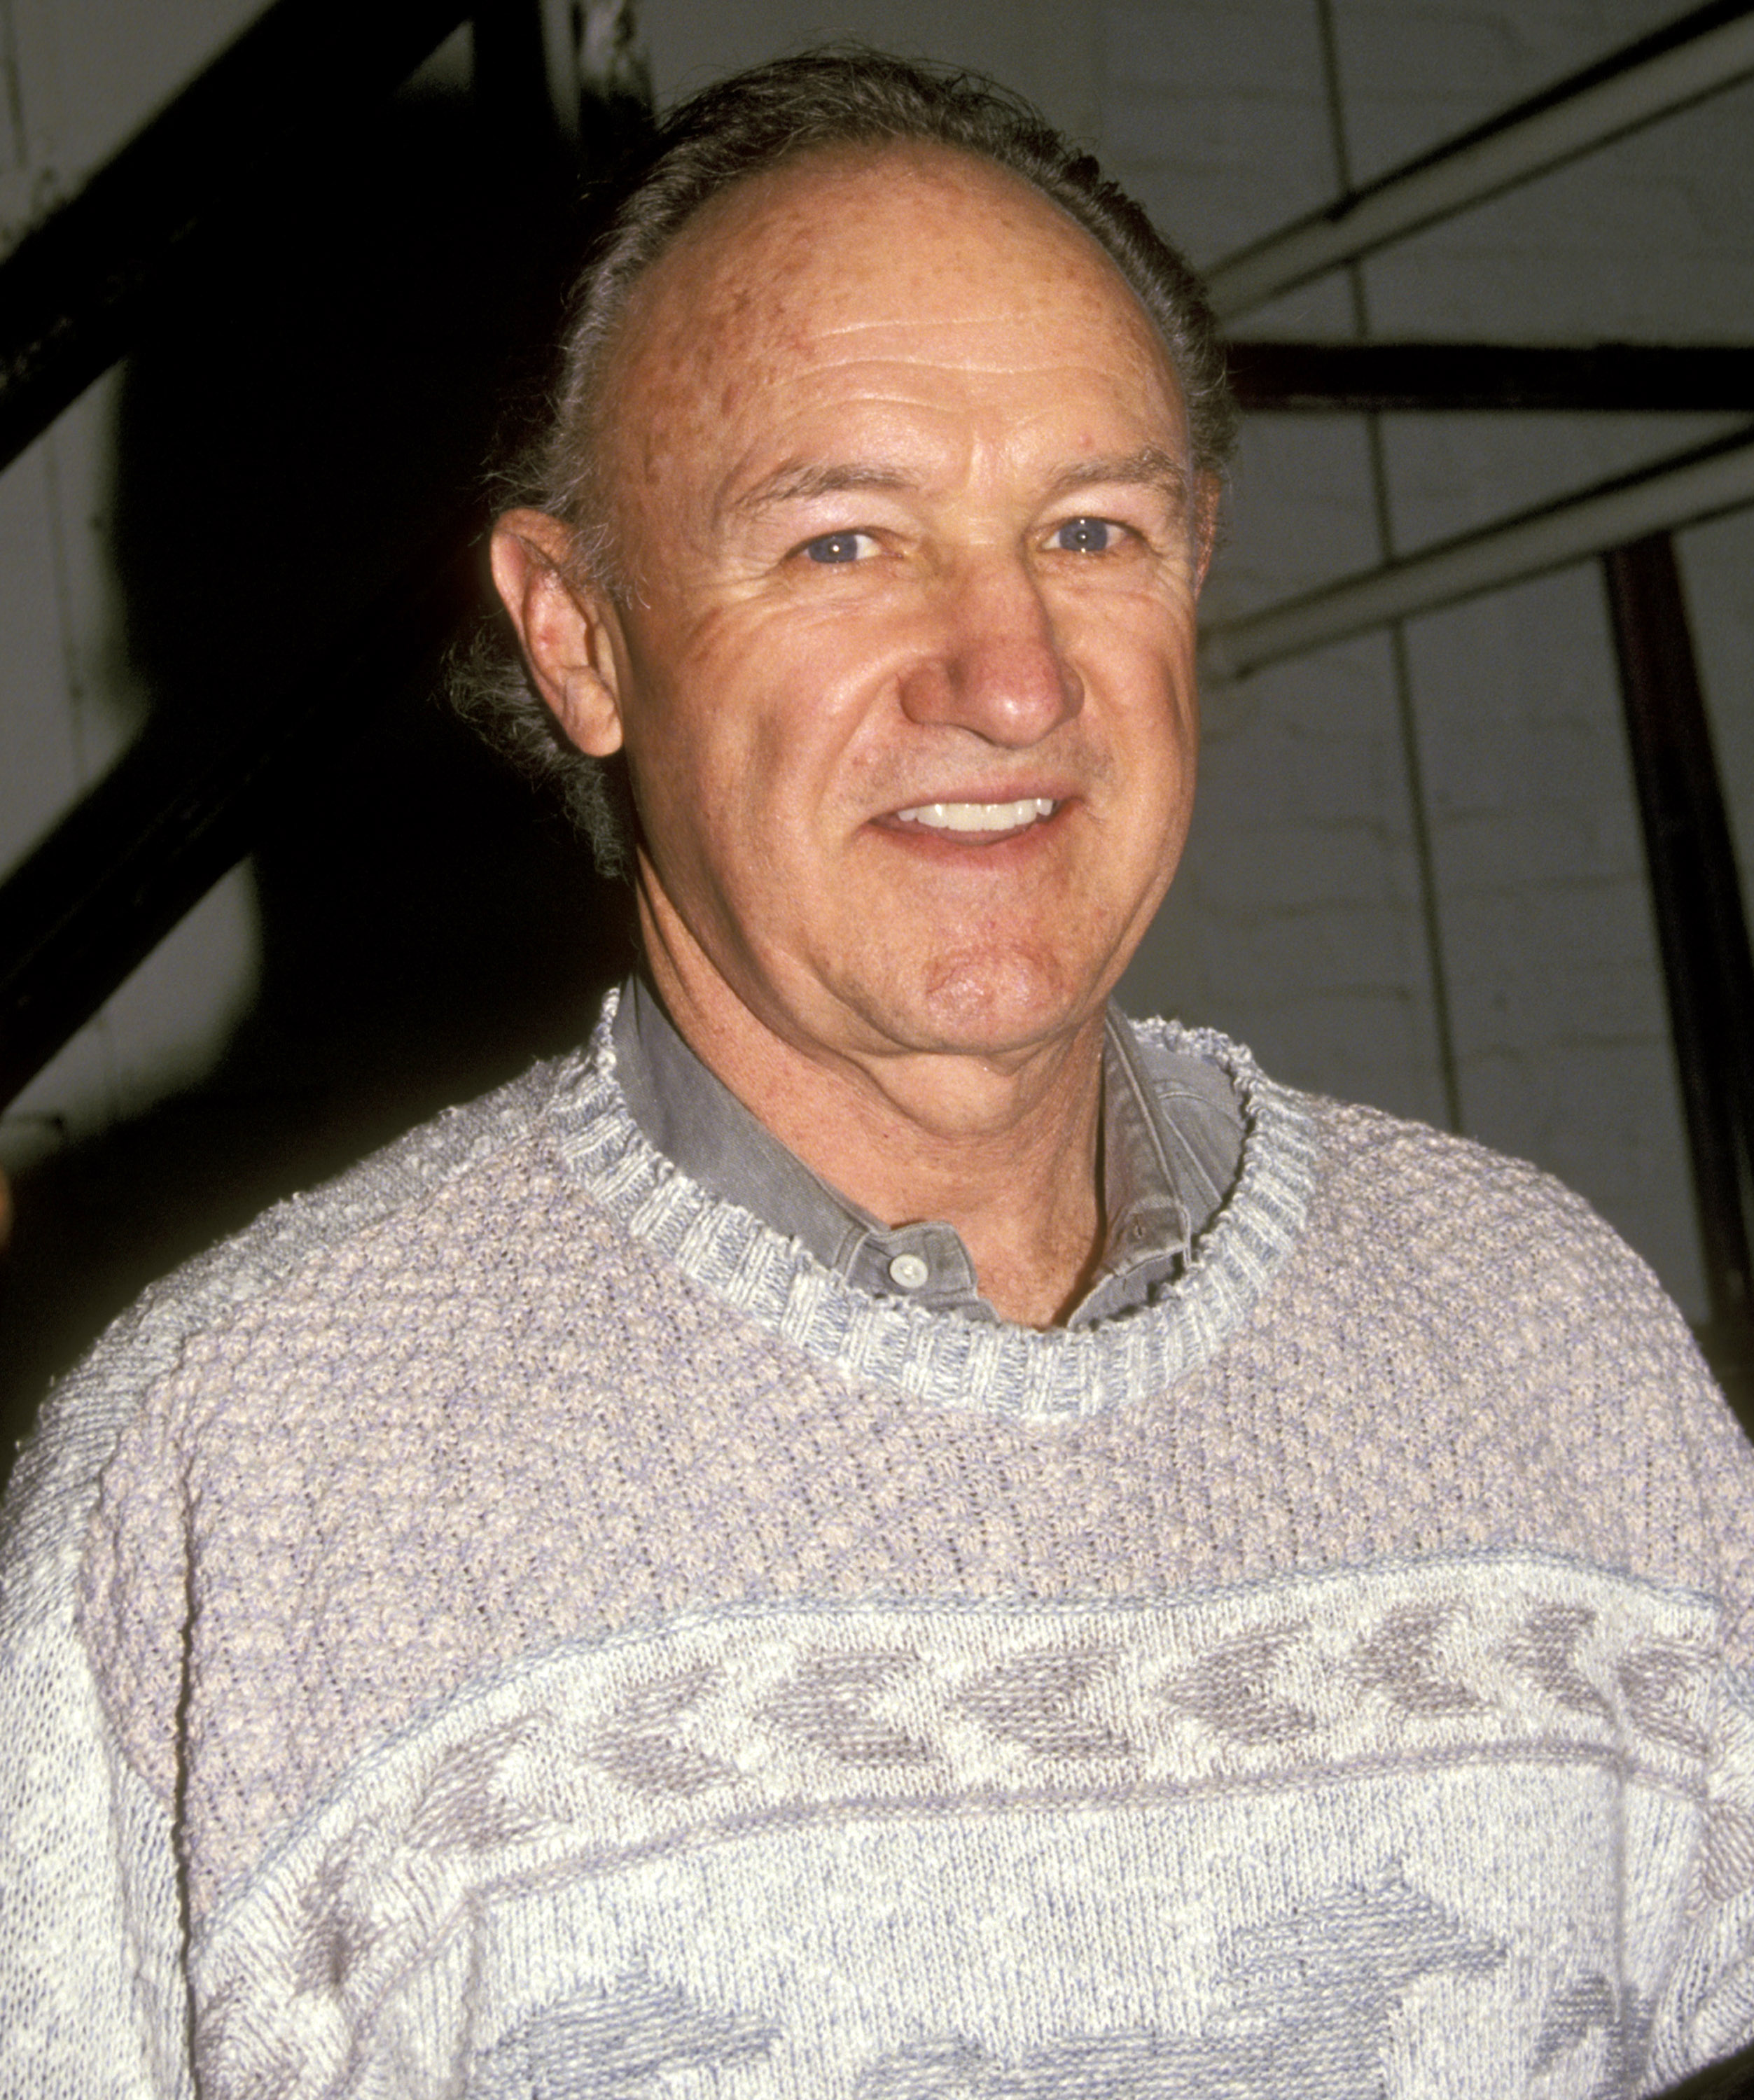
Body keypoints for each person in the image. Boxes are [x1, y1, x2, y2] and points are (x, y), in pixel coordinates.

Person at [4, 49, 1754, 2100]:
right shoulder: (236, 1483)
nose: (1009, 678)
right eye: (844, 544)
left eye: (1091, 529)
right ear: (576, 637)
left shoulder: (1547, 1342)